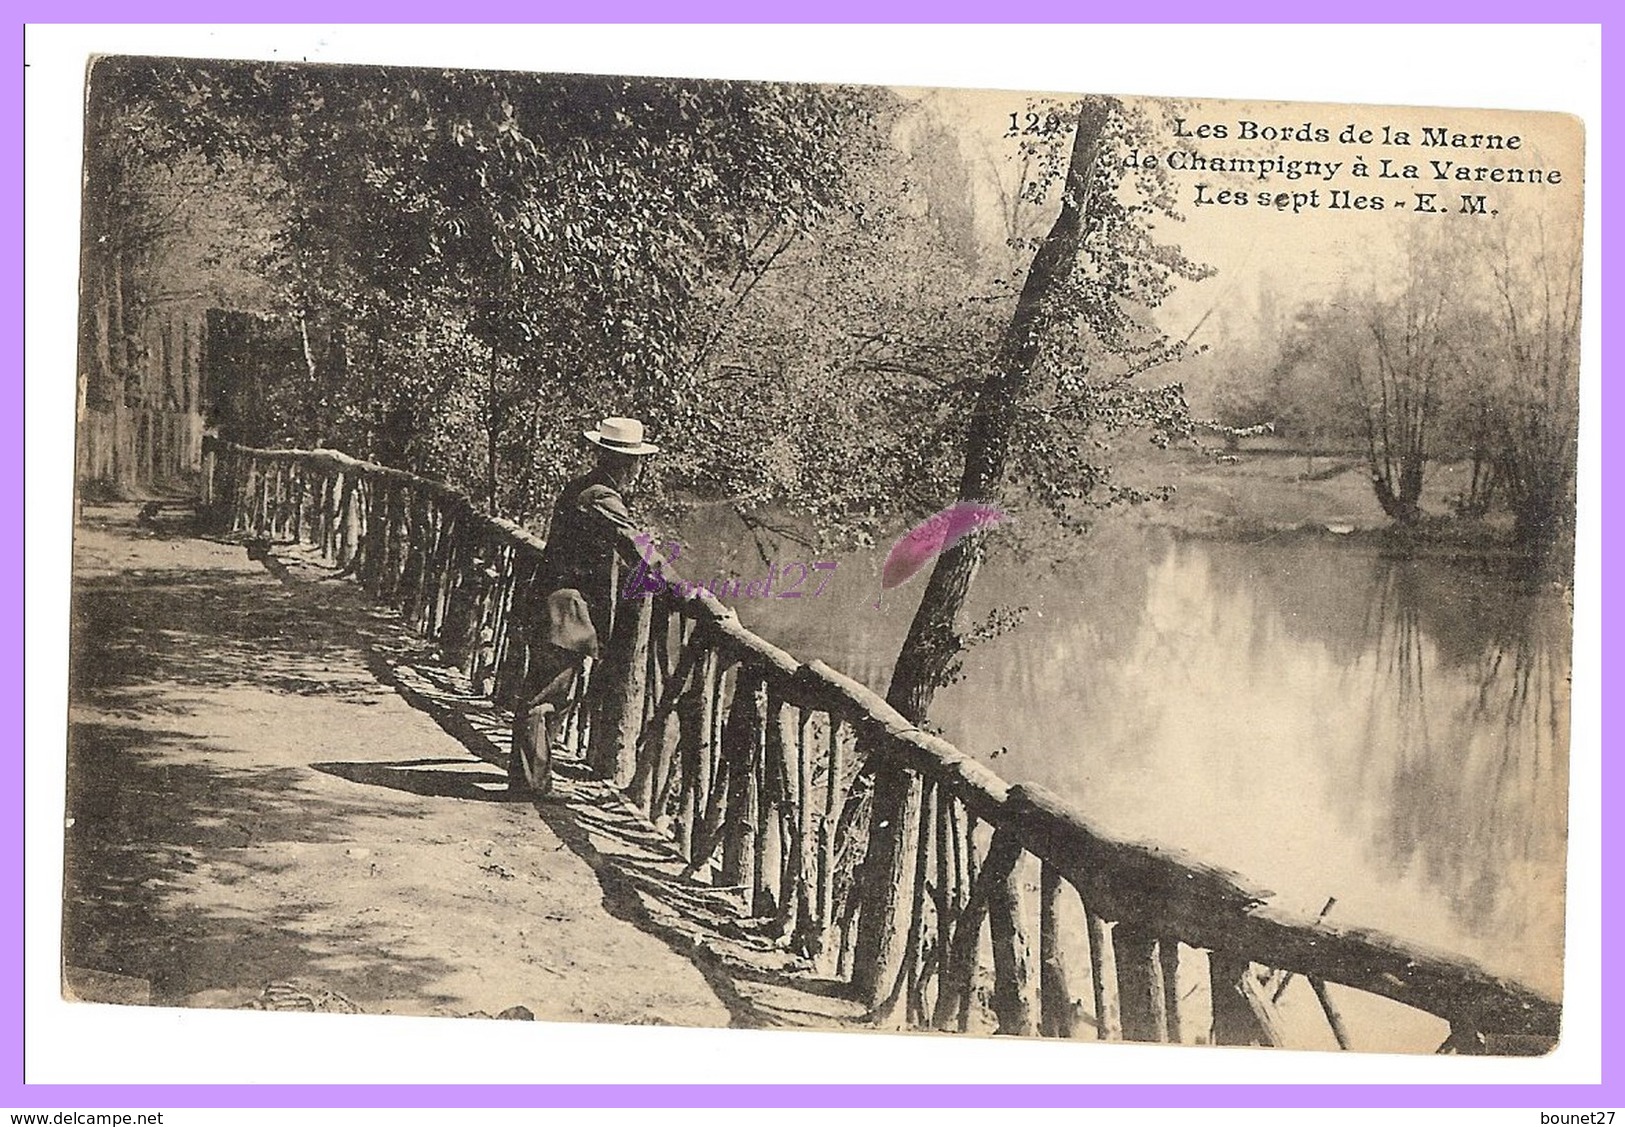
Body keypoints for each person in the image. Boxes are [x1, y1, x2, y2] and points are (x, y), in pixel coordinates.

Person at [509, 415, 660, 795]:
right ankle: (531, 786)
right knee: (545, 697)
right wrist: (682, 588)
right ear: (624, 464)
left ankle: (534, 779)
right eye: (635, 462)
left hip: (560, 608)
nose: (638, 471)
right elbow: (634, 545)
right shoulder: (600, 497)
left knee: (548, 695)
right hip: (563, 611)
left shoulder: (584, 488)